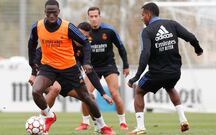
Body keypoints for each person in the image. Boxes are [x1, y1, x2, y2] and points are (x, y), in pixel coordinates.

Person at [28, 0, 115, 134]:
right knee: (35, 91)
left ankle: (102, 126)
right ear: (44, 12)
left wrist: (86, 62)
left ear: (59, 12)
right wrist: (33, 70)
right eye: (49, 12)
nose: (51, 15)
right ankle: (48, 117)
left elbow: (86, 42)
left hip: (69, 69)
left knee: (87, 97)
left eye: (54, 13)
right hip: (48, 68)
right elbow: (31, 45)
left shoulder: (67, 27)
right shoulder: (37, 27)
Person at [127, 2, 203, 134]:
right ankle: (183, 120)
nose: (141, 18)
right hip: (174, 71)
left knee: (139, 91)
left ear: (149, 14)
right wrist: (198, 49)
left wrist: (136, 76)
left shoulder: (147, 31)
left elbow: (145, 54)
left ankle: (140, 127)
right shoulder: (172, 24)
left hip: (157, 72)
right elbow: (190, 37)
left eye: (143, 14)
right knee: (170, 87)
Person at [75, 6, 129, 131]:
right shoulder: (84, 33)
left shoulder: (109, 30)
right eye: (91, 16)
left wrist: (125, 65)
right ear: (88, 17)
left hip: (108, 66)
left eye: (96, 16)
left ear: (100, 17)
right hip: (91, 67)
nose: (94, 19)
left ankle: (123, 121)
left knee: (114, 93)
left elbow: (121, 47)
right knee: (86, 94)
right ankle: (85, 122)